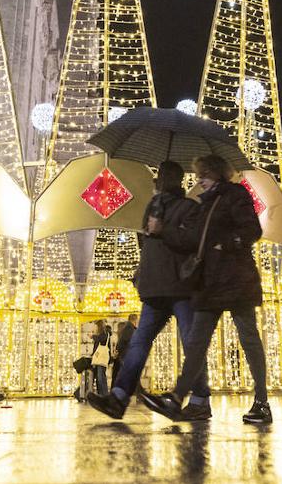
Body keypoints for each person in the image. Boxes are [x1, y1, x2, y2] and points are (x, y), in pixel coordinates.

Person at [139, 154, 273, 425]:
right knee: (197, 343)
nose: (199, 181)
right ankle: (177, 397)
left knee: (248, 339)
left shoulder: (235, 195)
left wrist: (225, 243)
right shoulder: (203, 205)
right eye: (198, 176)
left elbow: (252, 230)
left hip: (236, 279)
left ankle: (261, 402)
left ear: (217, 175)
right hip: (209, 283)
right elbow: (188, 240)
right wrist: (161, 230)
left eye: (204, 176)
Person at [87, 160, 212, 421]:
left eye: (163, 176)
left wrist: (163, 229)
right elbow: (148, 245)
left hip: (180, 287)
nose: (159, 181)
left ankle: (200, 399)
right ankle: (119, 396)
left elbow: (192, 241)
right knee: (139, 342)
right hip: (155, 288)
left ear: (174, 180)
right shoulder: (153, 206)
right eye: (159, 176)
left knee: (191, 344)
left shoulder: (190, 207)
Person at [111, 315, 138, 385]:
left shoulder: (129, 328)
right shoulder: (129, 328)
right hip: (126, 356)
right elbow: (125, 342)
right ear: (135, 320)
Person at [89, 322, 112, 396]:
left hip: (101, 359)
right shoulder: (101, 334)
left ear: (99, 327)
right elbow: (96, 347)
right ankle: (100, 394)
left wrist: (93, 336)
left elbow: (100, 339)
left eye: (96, 327)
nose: (94, 328)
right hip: (98, 359)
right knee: (99, 378)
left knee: (101, 377)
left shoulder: (105, 334)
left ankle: (104, 395)